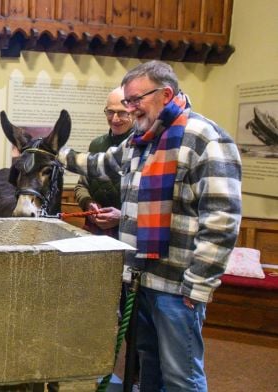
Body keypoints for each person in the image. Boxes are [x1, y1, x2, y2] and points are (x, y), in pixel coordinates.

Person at [58, 61, 242, 391]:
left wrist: (197, 287)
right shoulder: (141, 141)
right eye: (126, 102)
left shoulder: (206, 139)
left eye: (134, 100)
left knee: (181, 376)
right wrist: (54, 151)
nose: (129, 109)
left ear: (166, 93)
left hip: (177, 290)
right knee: (149, 369)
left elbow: (222, 222)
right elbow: (100, 164)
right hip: (141, 282)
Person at [74, 87, 134, 238]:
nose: (115, 119)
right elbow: (82, 185)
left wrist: (122, 216)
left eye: (122, 112)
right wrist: (88, 204)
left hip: (129, 234)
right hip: (95, 231)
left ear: (133, 111)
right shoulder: (96, 145)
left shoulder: (144, 146)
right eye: (110, 112)